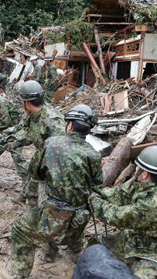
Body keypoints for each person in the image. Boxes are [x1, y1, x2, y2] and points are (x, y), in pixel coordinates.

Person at [9, 104, 102, 279]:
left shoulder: (51, 143)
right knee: (74, 217)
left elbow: (35, 172)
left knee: (20, 230)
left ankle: (21, 274)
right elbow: (97, 185)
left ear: (70, 125)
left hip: (53, 215)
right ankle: (75, 251)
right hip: (78, 219)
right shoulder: (94, 155)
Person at [89, 145, 157, 279]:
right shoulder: (150, 184)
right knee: (96, 243)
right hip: (141, 238)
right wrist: (95, 189)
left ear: (144, 173)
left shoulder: (152, 204)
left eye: (137, 167)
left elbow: (115, 216)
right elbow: (120, 194)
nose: (135, 168)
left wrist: (92, 199)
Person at [6, 80, 66, 204]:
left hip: (54, 162)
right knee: (32, 173)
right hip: (43, 155)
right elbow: (32, 134)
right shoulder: (36, 114)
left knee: (46, 196)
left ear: (27, 103)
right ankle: (27, 196)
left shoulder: (52, 121)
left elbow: (63, 149)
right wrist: (15, 142)